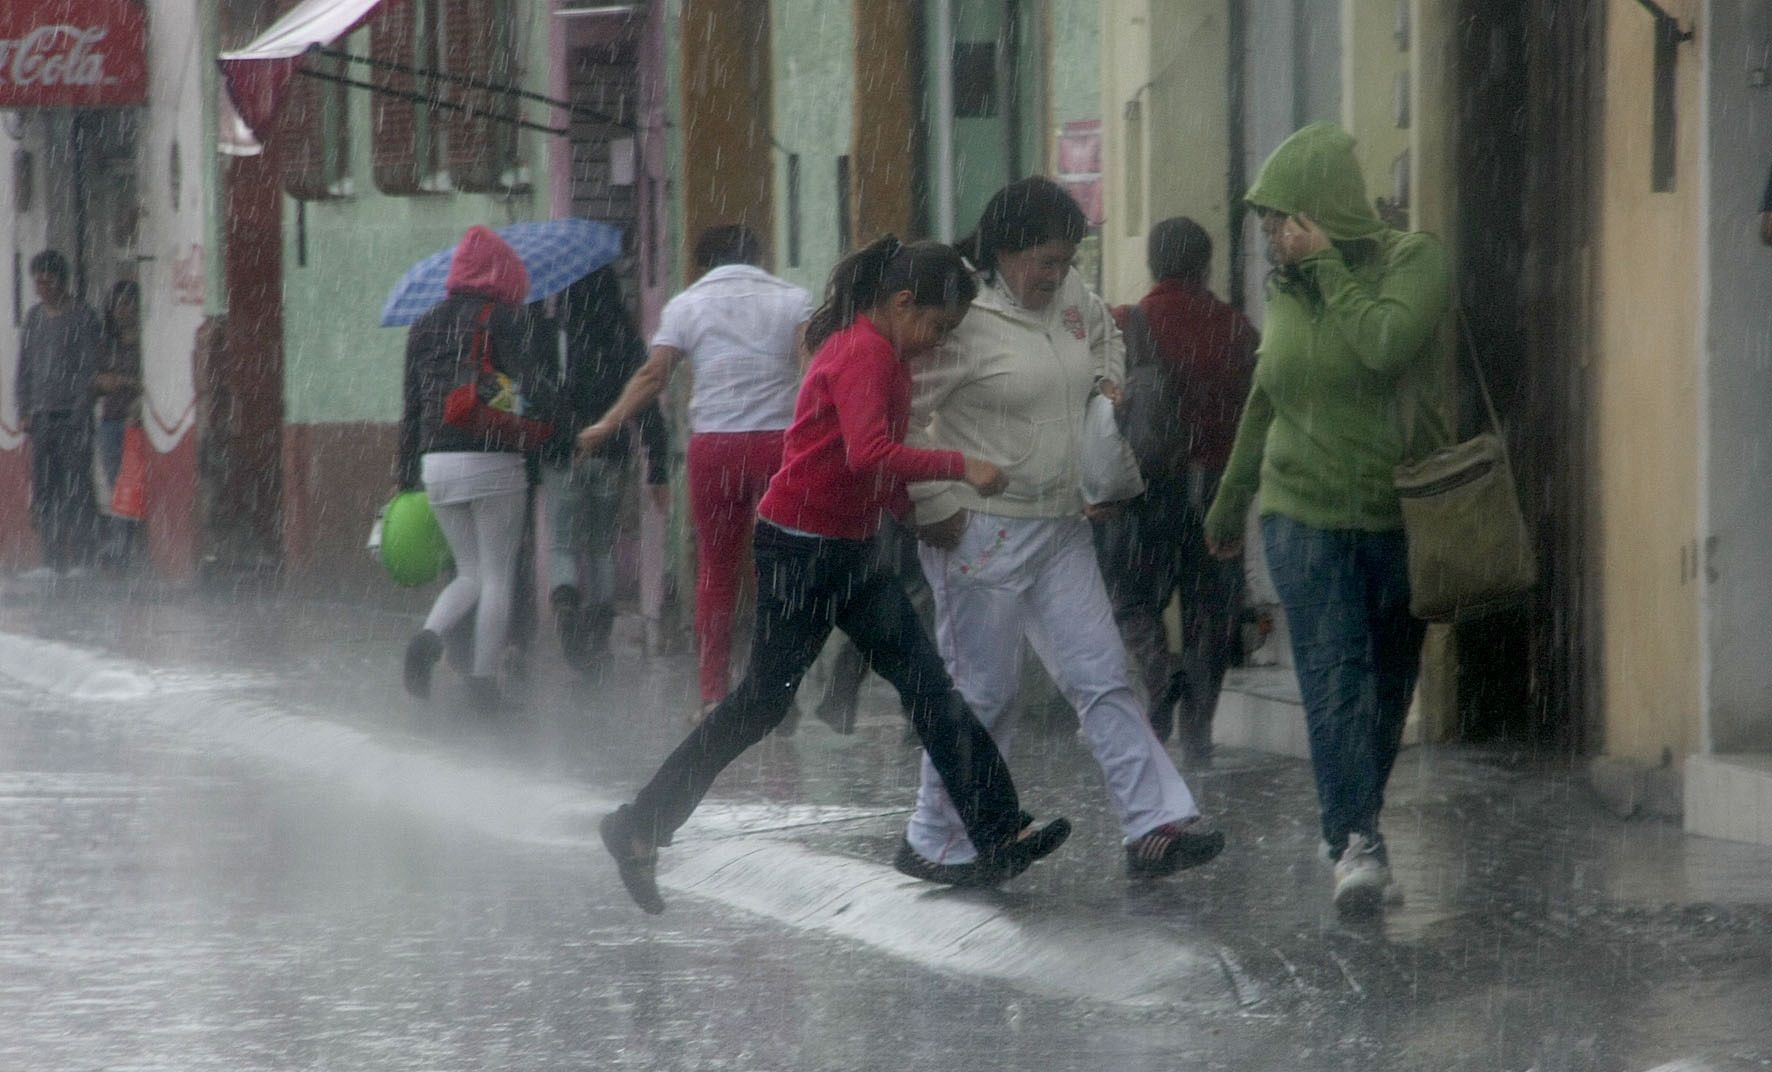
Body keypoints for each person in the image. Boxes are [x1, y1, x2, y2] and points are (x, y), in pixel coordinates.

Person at [592, 237, 1070, 914]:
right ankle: (640, 821)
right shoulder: (863, 353)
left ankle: (998, 829)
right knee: (764, 702)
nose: (938, 343)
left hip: (847, 549)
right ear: (902, 304)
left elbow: (866, 469)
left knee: (928, 685)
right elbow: (868, 449)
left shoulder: (888, 355)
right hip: (801, 550)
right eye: (937, 327)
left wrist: (913, 518)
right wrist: (960, 466)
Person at [898, 178, 1224, 886]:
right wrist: (932, 505)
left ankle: (1153, 824)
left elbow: (1106, 330)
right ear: (1005, 251)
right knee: (984, 693)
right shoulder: (962, 314)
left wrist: (1107, 381)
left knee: (1103, 676)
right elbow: (903, 419)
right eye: (1044, 260)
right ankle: (935, 838)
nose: (1057, 274)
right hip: (974, 532)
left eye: (1066, 259)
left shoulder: (1072, 295)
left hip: (1060, 527)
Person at [1203, 122, 1450, 914]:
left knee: (1384, 685)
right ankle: (1356, 844)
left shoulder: (1416, 261)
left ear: (1325, 212)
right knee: (1335, 676)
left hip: (1401, 513)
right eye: (1268, 222)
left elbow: (1384, 343)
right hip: (1300, 512)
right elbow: (1265, 397)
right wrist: (1230, 500)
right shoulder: (1288, 291)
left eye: (1283, 217)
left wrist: (1333, 267)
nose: (1273, 235)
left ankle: (1351, 825)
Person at [581, 225, 811, 720]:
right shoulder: (793, 299)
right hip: (780, 447)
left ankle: (712, 694)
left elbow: (653, 376)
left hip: (716, 449)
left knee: (717, 566)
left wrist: (606, 423)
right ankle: (778, 689)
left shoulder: (687, 305)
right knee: (779, 567)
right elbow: (811, 370)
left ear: (703, 263)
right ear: (759, 253)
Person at [1096, 218, 1257, 768]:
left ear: (1153, 263)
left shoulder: (1130, 324)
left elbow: (1102, 403)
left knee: (1130, 597)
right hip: (1219, 487)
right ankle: (1198, 738)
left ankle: (1160, 673)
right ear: (1206, 264)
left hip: (1150, 487)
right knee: (1210, 614)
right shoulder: (1238, 329)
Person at [396, 225, 553, 709]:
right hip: (493, 457)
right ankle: (484, 683)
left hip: (436, 462)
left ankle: (427, 638)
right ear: (505, 272)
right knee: (498, 577)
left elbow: (412, 407)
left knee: (468, 573)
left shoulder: (424, 324)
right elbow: (536, 392)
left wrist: (405, 477)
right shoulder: (509, 319)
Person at [537, 268, 670, 671]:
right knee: (600, 547)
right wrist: (657, 464)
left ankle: (565, 608)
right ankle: (598, 635)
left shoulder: (550, 337)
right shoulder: (624, 338)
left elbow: (537, 395)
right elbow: (646, 404)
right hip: (610, 454)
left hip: (563, 453)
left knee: (562, 543)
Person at [15, 250, 104, 580]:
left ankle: (82, 557)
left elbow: (89, 369)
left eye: (47, 280)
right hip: (41, 419)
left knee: (77, 489)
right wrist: (24, 409)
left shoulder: (82, 317)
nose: (42, 288)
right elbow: (24, 369)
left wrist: (80, 410)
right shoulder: (35, 319)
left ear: (60, 280)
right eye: (37, 281)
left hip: (73, 418)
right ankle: (50, 559)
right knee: (45, 491)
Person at [95, 280, 144, 565]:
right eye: (118, 304)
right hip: (110, 422)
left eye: (128, 303)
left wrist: (122, 381)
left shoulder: (145, 343)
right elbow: (95, 380)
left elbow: (146, 383)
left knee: (134, 485)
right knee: (117, 486)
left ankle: (131, 546)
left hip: (135, 423)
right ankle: (119, 547)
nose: (122, 310)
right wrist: (104, 381)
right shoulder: (107, 344)